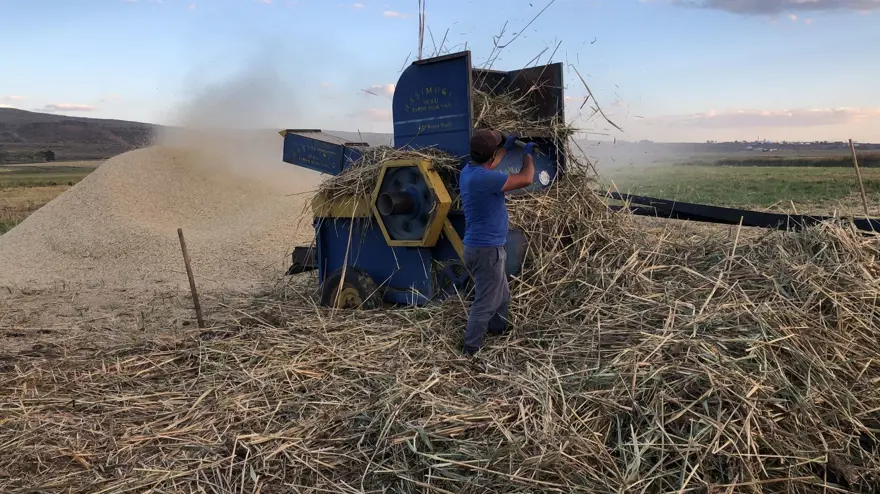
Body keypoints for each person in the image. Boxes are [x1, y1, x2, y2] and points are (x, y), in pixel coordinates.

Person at [459, 129, 536, 356]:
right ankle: (470, 350)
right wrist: (527, 156)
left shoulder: (469, 171)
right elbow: (526, 178)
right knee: (486, 303)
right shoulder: (485, 179)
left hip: (480, 247)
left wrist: (505, 149)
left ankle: (498, 331)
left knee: (502, 296)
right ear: (490, 155)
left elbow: (489, 164)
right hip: (486, 251)